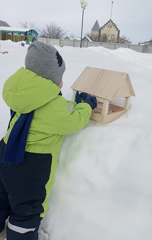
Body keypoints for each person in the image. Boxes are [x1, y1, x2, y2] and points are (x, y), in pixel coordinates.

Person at [0, 41, 97, 240]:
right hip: (31, 166)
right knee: (27, 209)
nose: (62, 83)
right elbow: (74, 120)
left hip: (5, 152)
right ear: (50, 80)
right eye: (59, 78)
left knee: (1, 197)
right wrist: (85, 105)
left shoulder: (21, 93)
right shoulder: (55, 106)